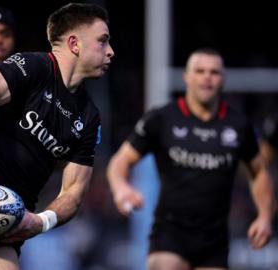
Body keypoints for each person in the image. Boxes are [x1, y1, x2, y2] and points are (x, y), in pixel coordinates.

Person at [0, 3, 114, 270]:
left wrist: (40, 221)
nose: (110, 51)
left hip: (13, 225)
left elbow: (74, 192)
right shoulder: (33, 66)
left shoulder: (89, 116)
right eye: (103, 41)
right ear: (74, 43)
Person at [107, 48, 275, 270]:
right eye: (200, 71)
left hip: (214, 240)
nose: (207, 77)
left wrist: (264, 216)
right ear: (187, 77)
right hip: (169, 233)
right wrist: (121, 188)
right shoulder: (162, 118)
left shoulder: (238, 126)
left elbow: (259, 171)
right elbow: (121, 161)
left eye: (214, 72)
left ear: (222, 80)